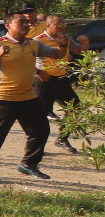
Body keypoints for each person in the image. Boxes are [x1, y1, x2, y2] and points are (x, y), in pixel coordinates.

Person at [0, 11, 68, 182]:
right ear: (8, 25)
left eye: (26, 22)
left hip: (27, 96)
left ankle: (28, 164)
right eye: (21, 22)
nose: (26, 24)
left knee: (41, 130)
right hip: (4, 98)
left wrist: (63, 46)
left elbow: (58, 54)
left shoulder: (34, 44)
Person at [36, 14, 90, 152]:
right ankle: (36, 146)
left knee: (75, 108)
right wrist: (38, 72)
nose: (62, 27)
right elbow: (26, 59)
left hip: (61, 79)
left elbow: (80, 51)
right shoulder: (38, 41)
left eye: (63, 24)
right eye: (58, 24)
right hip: (44, 80)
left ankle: (62, 138)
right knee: (40, 115)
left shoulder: (66, 39)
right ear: (48, 25)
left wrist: (85, 43)